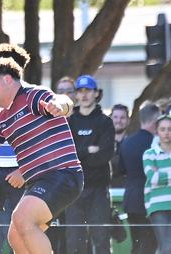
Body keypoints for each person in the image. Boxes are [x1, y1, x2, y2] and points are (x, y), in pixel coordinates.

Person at [0, 58, 83, 254]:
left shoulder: (32, 96)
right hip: (41, 181)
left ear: (8, 80)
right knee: (16, 236)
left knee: (22, 220)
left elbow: (63, 100)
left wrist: (61, 106)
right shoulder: (2, 119)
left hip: (63, 174)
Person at [65, 75, 115, 254]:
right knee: (74, 241)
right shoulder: (70, 122)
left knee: (101, 239)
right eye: (80, 91)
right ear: (76, 95)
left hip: (99, 190)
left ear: (96, 93)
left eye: (88, 90)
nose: (84, 95)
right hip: (74, 189)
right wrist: (88, 150)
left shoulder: (105, 122)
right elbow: (66, 154)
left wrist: (80, 153)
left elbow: (105, 154)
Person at [116, 102, 160, 254]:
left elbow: (120, 170)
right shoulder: (156, 145)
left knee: (136, 243)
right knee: (149, 244)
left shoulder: (127, 142)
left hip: (130, 199)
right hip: (149, 200)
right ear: (155, 121)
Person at [143, 113, 171, 254]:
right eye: (163, 129)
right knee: (166, 247)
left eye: (169, 129)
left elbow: (158, 177)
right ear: (157, 131)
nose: (166, 133)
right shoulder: (149, 154)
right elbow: (153, 178)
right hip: (157, 206)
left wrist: (162, 173)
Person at [110, 104, 130, 188]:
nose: (119, 120)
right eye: (115, 117)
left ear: (128, 120)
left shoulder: (132, 144)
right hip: (106, 190)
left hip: (126, 189)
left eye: (122, 118)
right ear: (110, 119)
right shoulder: (102, 143)